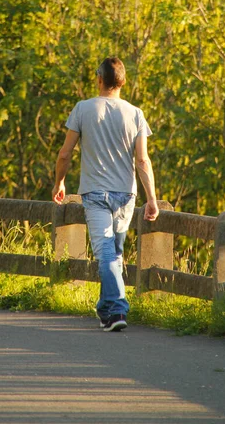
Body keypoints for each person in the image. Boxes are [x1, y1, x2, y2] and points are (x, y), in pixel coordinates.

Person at [52, 57, 159, 332]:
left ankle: (118, 310)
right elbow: (143, 161)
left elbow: (65, 152)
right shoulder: (136, 113)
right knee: (113, 253)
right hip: (126, 195)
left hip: (95, 194)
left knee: (106, 254)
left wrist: (59, 182)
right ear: (122, 81)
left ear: (100, 79)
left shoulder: (83, 109)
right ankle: (106, 310)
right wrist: (152, 199)